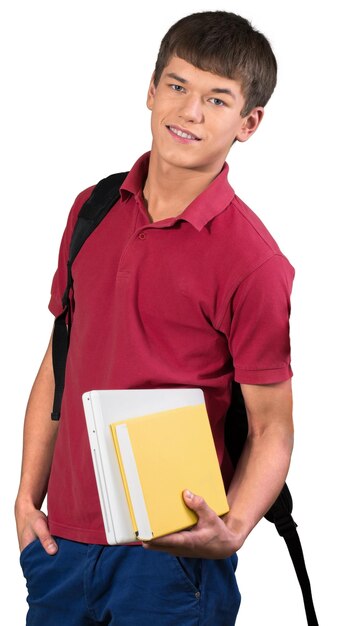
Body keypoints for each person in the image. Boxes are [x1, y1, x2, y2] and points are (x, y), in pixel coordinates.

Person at [15, 10, 294, 626]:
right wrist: (25, 499)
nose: (190, 111)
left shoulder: (253, 261)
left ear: (249, 123)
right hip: (60, 545)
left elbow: (273, 427)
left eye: (217, 99)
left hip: (172, 557)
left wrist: (234, 531)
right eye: (177, 85)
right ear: (150, 89)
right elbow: (60, 357)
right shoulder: (91, 208)